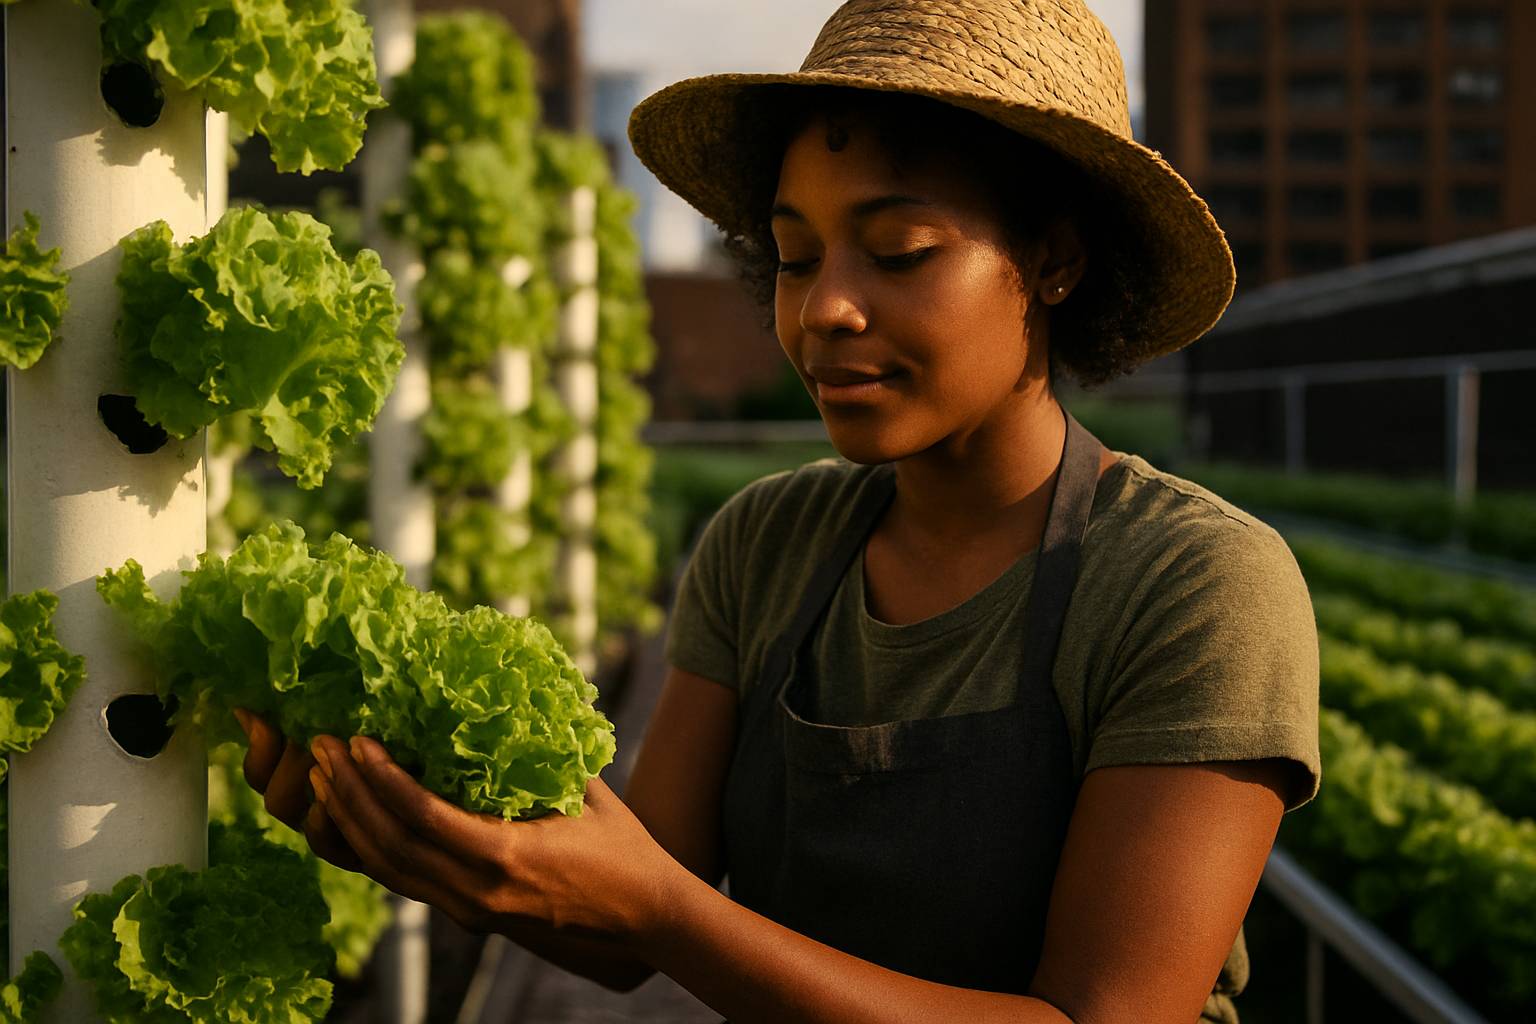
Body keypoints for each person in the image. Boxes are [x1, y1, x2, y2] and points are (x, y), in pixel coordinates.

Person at [241, 2, 1322, 1021]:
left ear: (1055, 261)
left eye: (899, 253)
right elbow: (621, 929)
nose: (824, 309)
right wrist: (415, 833)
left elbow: (1101, 1014)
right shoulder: (769, 542)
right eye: (796, 257)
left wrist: (661, 906)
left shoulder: (1193, 582)